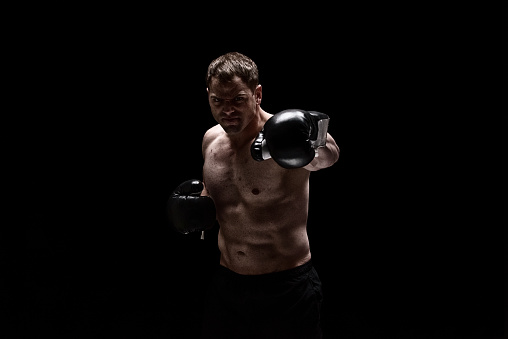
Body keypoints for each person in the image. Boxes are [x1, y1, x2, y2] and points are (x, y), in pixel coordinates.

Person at [167, 52, 340, 339]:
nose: (228, 110)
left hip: (286, 288)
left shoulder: (283, 133)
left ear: (257, 94)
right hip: (228, 286)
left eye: (238, 99)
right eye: (217, 101)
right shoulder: (210, 140)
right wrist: (193, 210)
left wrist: (311, 140)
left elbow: (329, 157)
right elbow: (213, 198)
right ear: (208, 95)